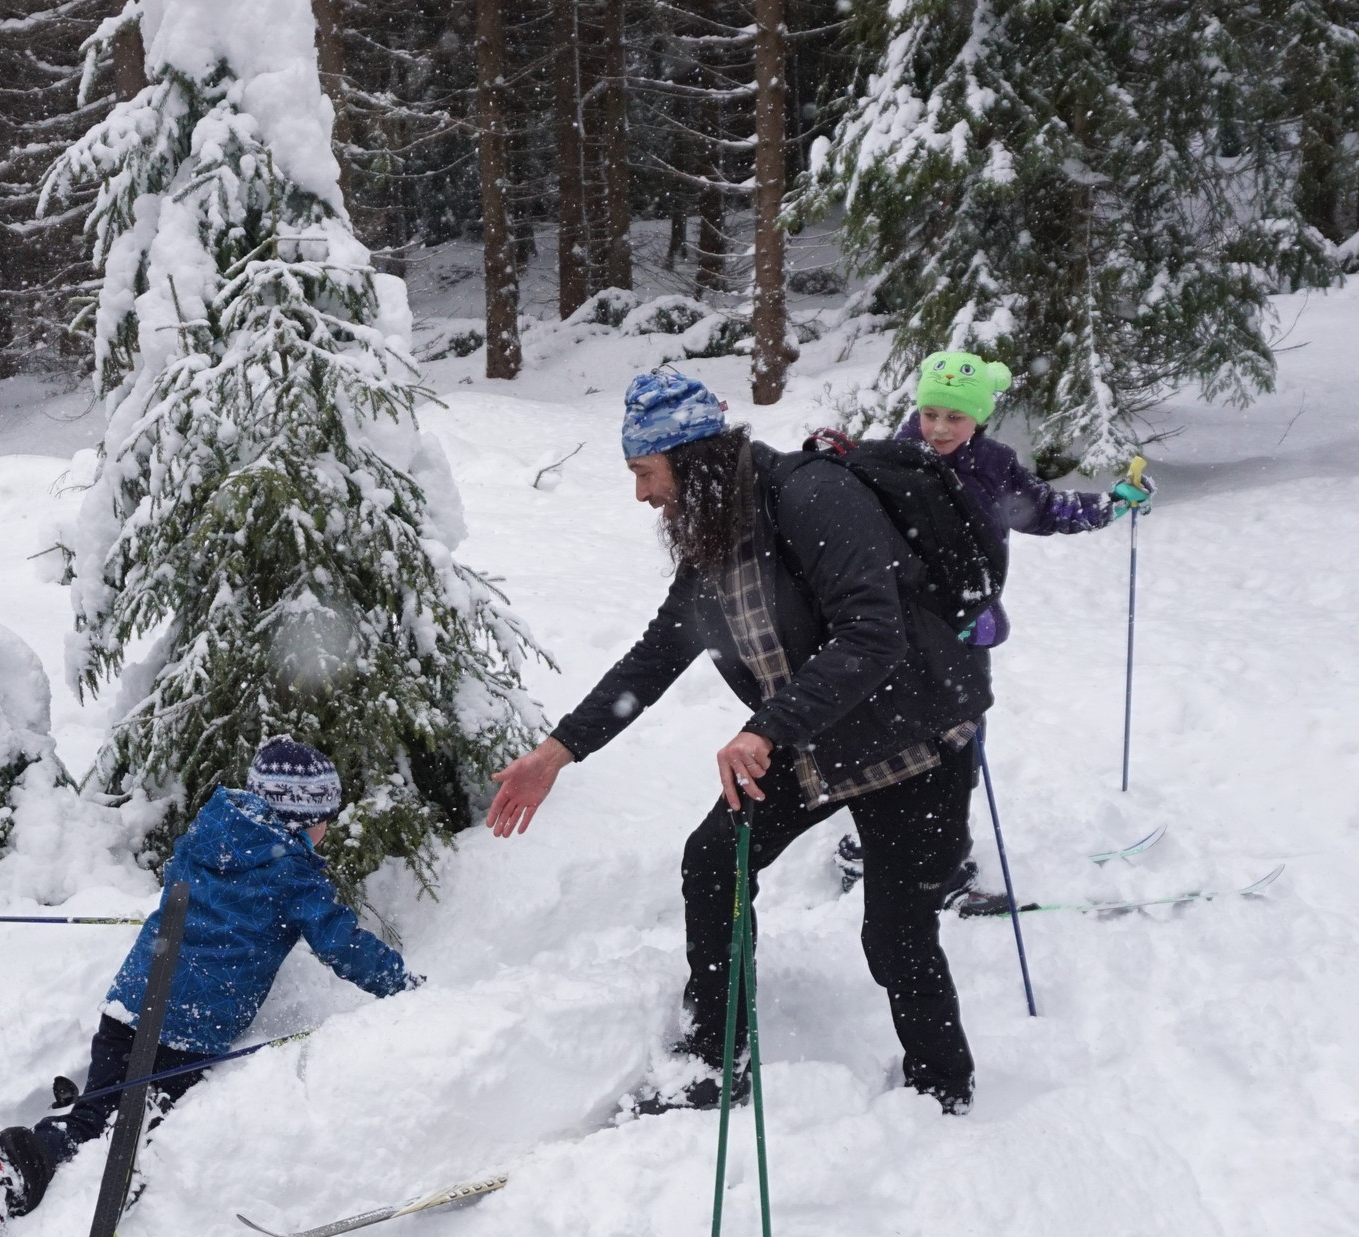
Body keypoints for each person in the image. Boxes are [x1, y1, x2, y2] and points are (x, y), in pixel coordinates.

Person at [484, 371, 988, 1114]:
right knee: (715, 861)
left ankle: (942, 1089)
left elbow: (872, 634)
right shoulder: (713, 536)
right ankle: (717, 1056)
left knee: (897, 935)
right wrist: (556, 753)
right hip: (813, 739)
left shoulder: (813, 496)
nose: (642, 495)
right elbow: (657, 655)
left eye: (645, 472)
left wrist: (765, 728)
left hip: (911, 739)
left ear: (691, 460)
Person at [0, 738, 418, 1219]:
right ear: (303, 820)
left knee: (94, 1111)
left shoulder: (208, 836)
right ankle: (62, 1185)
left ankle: (20, 1155)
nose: (328, 827)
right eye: (325, 817)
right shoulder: (294, 876)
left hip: (131, 1003)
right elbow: (341, 944)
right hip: (190, 1027)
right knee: (137, 1122)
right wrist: (401, 984)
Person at [830, 348, 1154, 904]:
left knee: (959, 748)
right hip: (900, 633)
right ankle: (881, 857)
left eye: (955, 416)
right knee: (895, 744)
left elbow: (1043, 509)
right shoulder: (887, 459)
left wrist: (1109, 505)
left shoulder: (993, 464)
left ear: (978, 416)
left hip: (966, 632)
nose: (939, 428)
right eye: (931, 413)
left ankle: (935, 858)